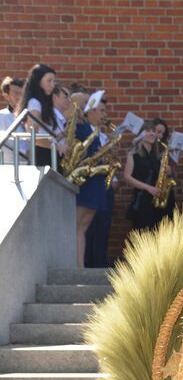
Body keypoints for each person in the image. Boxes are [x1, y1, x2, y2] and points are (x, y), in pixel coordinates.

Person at [72, 90, 110, 268]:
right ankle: (77, 266)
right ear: (92, 111)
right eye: (101, 111)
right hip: (86, 182)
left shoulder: (95, 130)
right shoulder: (82, 128)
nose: (104, 115)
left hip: (95, 182)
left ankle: (80, 266)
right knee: (77, 226)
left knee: (83, 227)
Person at [123, 119, 174, 232]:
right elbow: (127, 177)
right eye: (147, 131)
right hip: (142, 201)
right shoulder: (133, 154)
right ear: (141, 133)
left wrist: (168, 172)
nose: (152, 133)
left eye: (153, 131)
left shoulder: (158, 155)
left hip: (157, 201)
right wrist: (148, 187)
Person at [18, 63, 59, 166]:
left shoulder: (42, 103)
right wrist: (57, 146)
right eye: (49, 81)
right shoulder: (34, 103)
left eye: (54, 81)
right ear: (38, 81)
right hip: (42, 157)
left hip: (47, 154)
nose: (53, 85)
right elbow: (34, 137)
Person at [0, 77, 23, 162]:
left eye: (22, 93)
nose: (20, 97)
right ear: (6, 95)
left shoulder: (30, 116)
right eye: (16, 93)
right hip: (8, 166)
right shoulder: (1, 116)